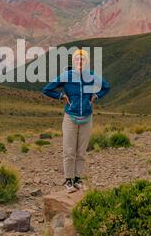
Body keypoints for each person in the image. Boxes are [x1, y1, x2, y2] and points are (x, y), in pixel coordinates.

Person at [42, 49, 110, 192]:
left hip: (87, 117)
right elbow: (47, 89)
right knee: (69, 151)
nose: (80, 62)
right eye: (77, 59)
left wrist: (96, 96)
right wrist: (61, 96)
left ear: (86, 62)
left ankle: (78, 180)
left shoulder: (91, 76)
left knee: (81, 152)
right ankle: (68, 181)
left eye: (83, 59)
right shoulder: (67, 76)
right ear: (73, 62)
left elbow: (106, 86)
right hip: (70, 118)